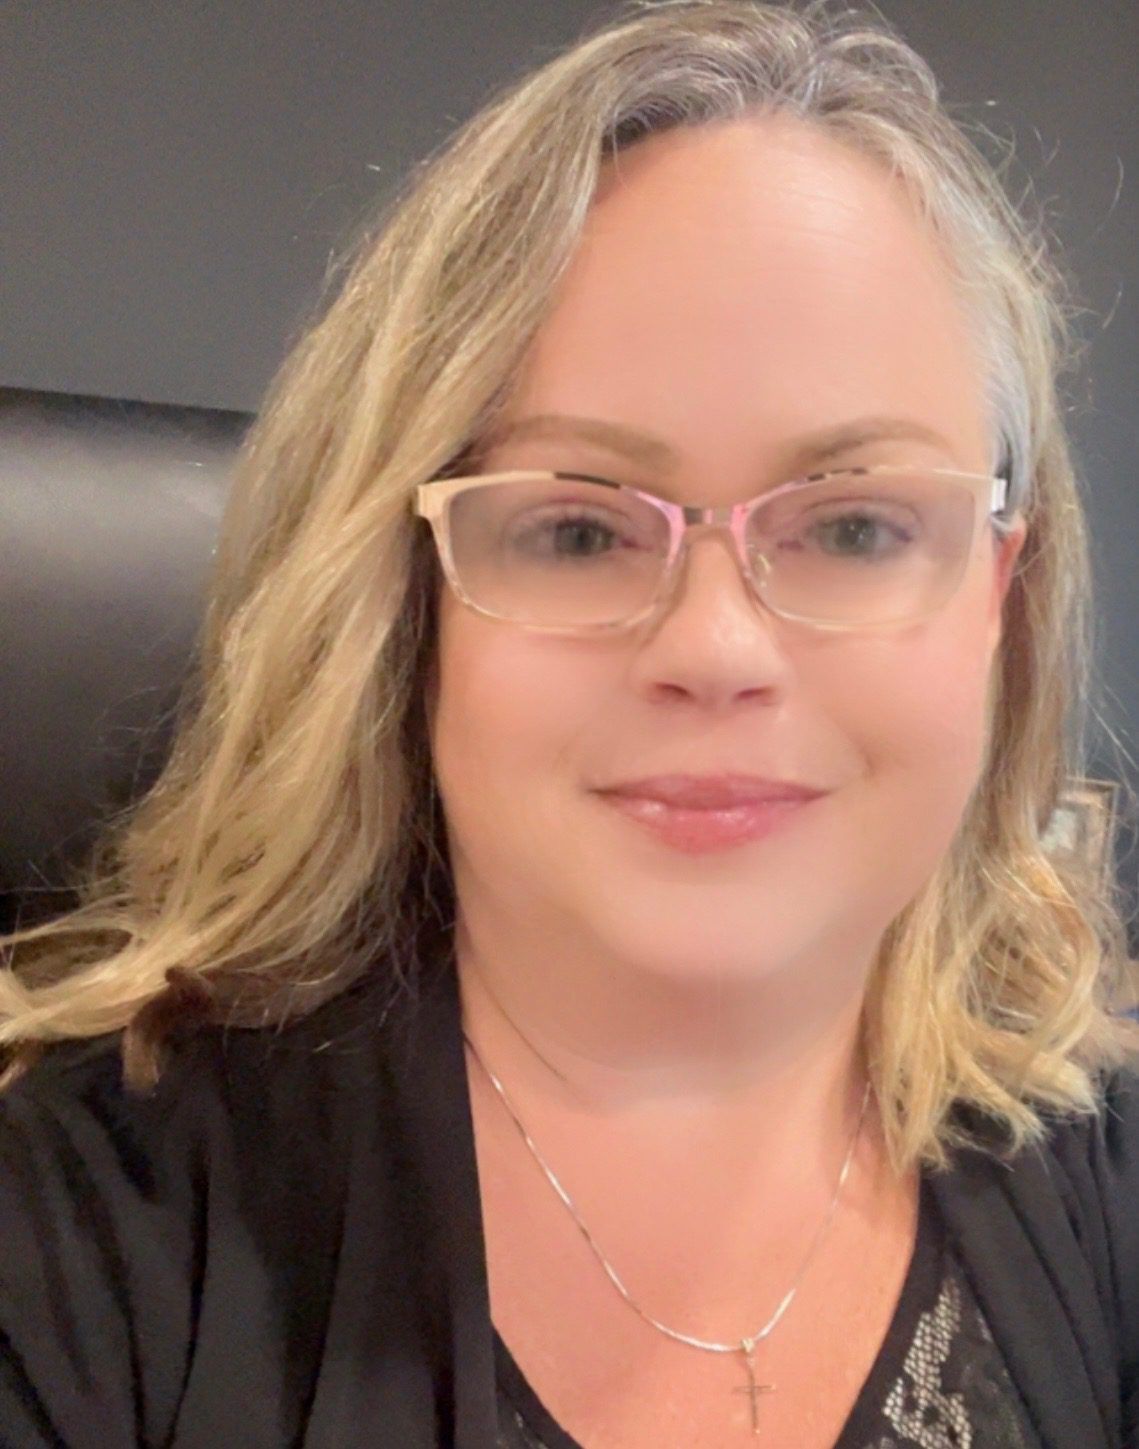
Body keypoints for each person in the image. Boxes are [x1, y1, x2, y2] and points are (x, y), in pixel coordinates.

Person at [1, 1, 1137, 1445]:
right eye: (580, 530)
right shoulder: (81, 1246)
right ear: (407, 608)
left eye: (854, 524)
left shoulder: (1101, 1177)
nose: (717, 646)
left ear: (998, 594)